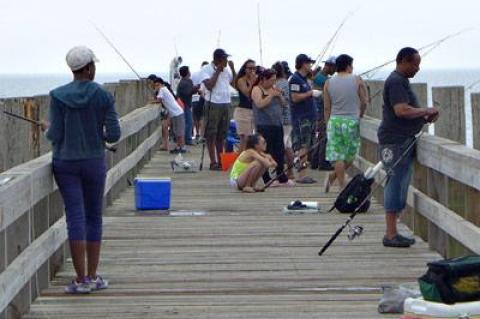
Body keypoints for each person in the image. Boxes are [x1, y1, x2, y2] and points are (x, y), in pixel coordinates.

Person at [41, 46, 121, 294]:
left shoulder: (57, 95)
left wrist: (47, 127)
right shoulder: (103, 96)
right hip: (94, 162)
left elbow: (55, 135)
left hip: (65, 164)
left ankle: (80, 278)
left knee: (75, 217)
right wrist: (99, 134)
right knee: (93, 217)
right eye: (93, 65)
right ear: (88, 68)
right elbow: (115, 134)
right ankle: (94, 276)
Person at [378, 47, 439, 248]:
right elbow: (401, 110)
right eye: (415, 64)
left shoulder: (400, 81)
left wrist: (422, 116)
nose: (417, 68)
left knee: (401, 182)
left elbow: (406, 111)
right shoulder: (396, 81)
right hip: (395, 140)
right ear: (403, 61)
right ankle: (390, 234)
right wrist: (425, 110)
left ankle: (393, 231)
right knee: (395, 182)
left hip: (401, 138)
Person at [323, 54, 368, 192]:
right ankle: (342, 184)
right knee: (350, 154)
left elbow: (326, 106)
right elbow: (365, 101)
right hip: (351, 121)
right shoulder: (357, 80)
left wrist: (327, 123)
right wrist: (360, 114)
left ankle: (334, 176)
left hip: (335, 120)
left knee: (337, 155)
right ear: (348, 66)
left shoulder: (328, 82)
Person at [252, 68, 295, 187]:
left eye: (275, 80)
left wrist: (280, 95)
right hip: (264, 125)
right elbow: (259, 104)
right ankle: (266, 178)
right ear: (263, 79)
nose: (273, 83)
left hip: (277, 124)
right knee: (266, 151)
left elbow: (285, 104)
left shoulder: (274, 89)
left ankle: (281, 176)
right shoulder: (257, 89)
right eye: (271, 80)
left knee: (279, 151)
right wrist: (271, 95)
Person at [198, 48, 237, 170]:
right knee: (211, 133)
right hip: (213, 103)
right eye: (225, 59)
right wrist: (217, 72)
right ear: (217, 59)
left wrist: (233, 69)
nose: (226, 61)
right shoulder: (206, 69)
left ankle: (221, 160)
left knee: (222, 134)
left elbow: (233, 83)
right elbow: (209, 86)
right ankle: (213, 161)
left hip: (226, 102)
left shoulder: (226, 70)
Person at [289, 54, 322, 184]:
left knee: (307, 146)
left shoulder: (304, 79)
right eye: (309, 63)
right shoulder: (295, 79)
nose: (310, 66)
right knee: (303, 146)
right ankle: (301, 175)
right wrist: (311, 93)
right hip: (302, 119)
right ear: (303, 64)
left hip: (309, 117)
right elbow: (295, 98)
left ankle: (303, 173)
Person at [311, 56, 336, 171]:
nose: (335, 70)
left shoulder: (319, 77)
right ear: (329, 66)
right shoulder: (324, 80)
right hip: (321, 111)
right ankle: (323, 163)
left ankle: (315, 161)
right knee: (324, 137)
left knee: (319, 136)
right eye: (334, 67)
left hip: (316, 111)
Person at [273, 61, 295, 180]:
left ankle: (284, 172)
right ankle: (290, 171)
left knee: (283, 146)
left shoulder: (278, 85)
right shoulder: (286, 83)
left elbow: (280, 101)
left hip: (282, 120)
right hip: (288, 118)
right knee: (288, 145)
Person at [153, 77, 186, 154]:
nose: (156, 87)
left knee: (179, 132)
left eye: (157, 85)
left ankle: (181, 147)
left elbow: (159, 100)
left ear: (161, 84)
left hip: (177, 113)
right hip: (175, 113)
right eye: (155, 86)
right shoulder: (165, 89)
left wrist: (152, 101)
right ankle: (179, 147)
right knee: (177, 131)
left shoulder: (162, 90)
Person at [233, 59, 257, 151]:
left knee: (250, 139)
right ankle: (240, 161)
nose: (252, 71)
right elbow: (247, 94)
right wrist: (252, 81)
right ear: (245, 69)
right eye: (250, 68)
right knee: (245, 139)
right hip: (243, 111)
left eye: (254, 68)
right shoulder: (241, 80)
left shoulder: (256, 78)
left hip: (253, 111)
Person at [177, 66, 200, 145]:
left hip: (182, 104)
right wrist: (196, 88)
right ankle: (188, 140)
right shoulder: (187, 82)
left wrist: (195, 88)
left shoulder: (182, 82)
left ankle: (186, 139)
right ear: (187, 72)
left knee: (186, 122)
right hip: (185, 105)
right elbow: (188, 93)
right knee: (189, 122)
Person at [192, 61, 209, 142]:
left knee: (195, 117)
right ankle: (202, 135)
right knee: (203, 117)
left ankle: (197, 134)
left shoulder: (194, 74)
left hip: (194, 99)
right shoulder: (208, 75)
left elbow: (192, 86)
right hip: (204, 99)